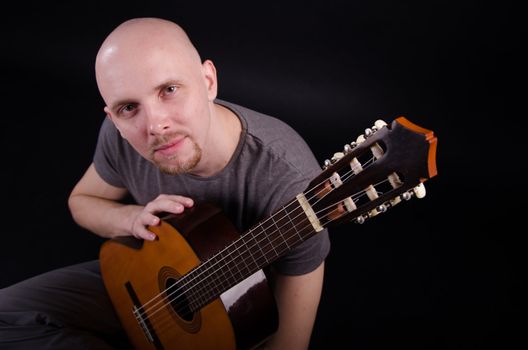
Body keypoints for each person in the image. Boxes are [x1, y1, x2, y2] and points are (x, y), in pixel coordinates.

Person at [0, 17, 330, 349]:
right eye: (129, 108)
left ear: (208, 81)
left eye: (169, 90)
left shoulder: (289, 179)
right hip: (145, 287)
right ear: (113, 118)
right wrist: (132, 219)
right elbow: (82, 201)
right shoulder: (120, 138)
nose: (155, 125)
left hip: (233, 324)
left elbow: (290, 342)